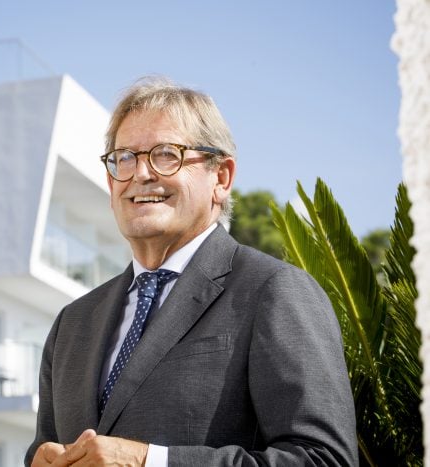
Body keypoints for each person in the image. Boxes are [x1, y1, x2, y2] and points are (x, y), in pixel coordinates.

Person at [26, 77, 358, 466]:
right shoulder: (73, 324)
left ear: (221, 177)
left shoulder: (273, 291)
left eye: (166, 154)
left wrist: (149, 462)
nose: (141, 174)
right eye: (125, 158)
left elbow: (324, 460)